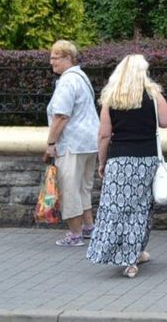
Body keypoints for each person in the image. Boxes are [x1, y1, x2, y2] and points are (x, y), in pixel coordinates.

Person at [85, 54, 167, 278]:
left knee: (115, 209)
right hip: (146, 160)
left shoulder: (111, 97)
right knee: (140, 209)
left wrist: (102, 162)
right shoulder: (152, 95)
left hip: (119, 160)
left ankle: (116, 253)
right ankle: (133, 256)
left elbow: (104, 135)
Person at [43, 40, 99, 247]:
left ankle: (75, 235)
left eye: (55, 58)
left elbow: (61, 116)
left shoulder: (67, 81)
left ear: (67, 58)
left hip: (72, 144)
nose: (51, 62)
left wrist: (51, 143)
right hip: (89, 142)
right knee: (84, 187)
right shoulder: (82, 77)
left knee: (69, 188)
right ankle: (89, 228)